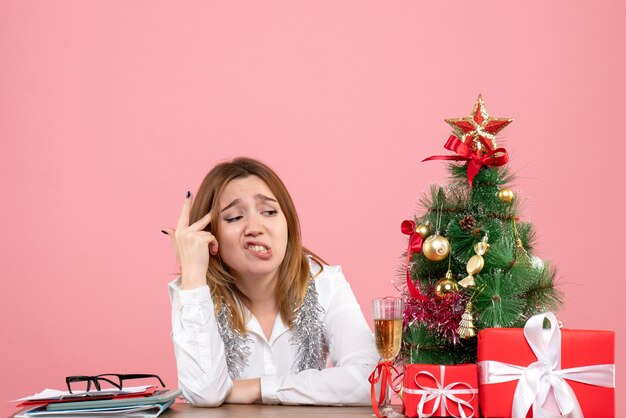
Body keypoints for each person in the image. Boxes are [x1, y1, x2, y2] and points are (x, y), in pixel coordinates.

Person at [162, 157, 378, 406]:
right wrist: (192, 274)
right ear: (210, 238)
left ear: (287, 224)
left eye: (270, 212)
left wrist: (261, 387)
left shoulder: (325, 282)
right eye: (234, 217)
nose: (255, 227)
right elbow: (204, 393)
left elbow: (373, 381)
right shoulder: (193, 291)